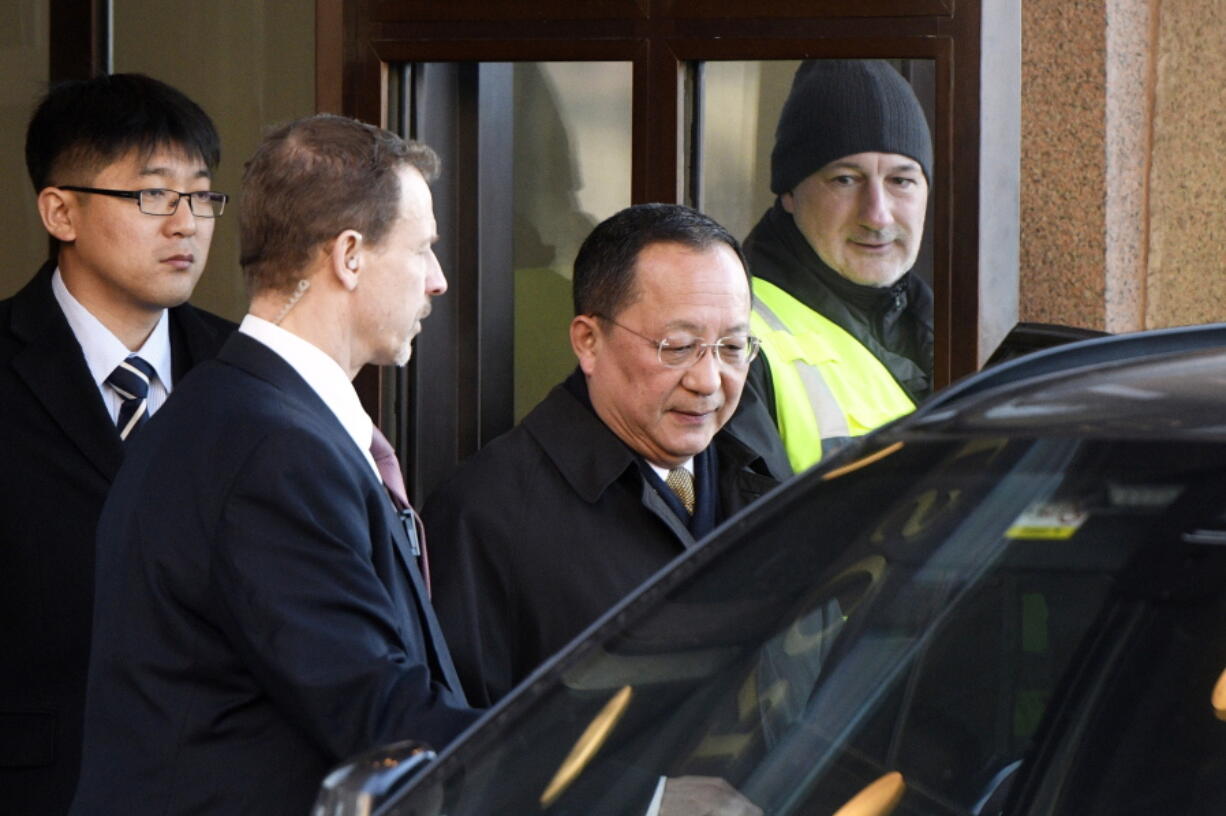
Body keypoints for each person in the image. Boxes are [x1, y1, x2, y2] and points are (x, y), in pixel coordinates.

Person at [70, 114, 478, 816]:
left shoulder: (245, 413)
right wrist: (610, 777)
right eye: (423, 251)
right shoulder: (270, 449)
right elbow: (376, 709)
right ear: (349, 255)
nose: (438, 281)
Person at [425, 203, 790, 709]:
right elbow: (468, 753)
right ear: (588, 341)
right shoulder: (488, 517)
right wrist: (652, 794)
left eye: (732, 347)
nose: (709, 382)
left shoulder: (758, 461)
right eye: (678, 347)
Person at [0, 73, 234, 814]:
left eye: (201, 195)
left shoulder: (244, 375)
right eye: (152, 195)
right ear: (60, 210)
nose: (186, 223)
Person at [743, 59, 935, 472]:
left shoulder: (952, 328)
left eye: (901, 181)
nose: (877, 215)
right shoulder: (734, 335)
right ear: (789, 194)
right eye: (845, 180)